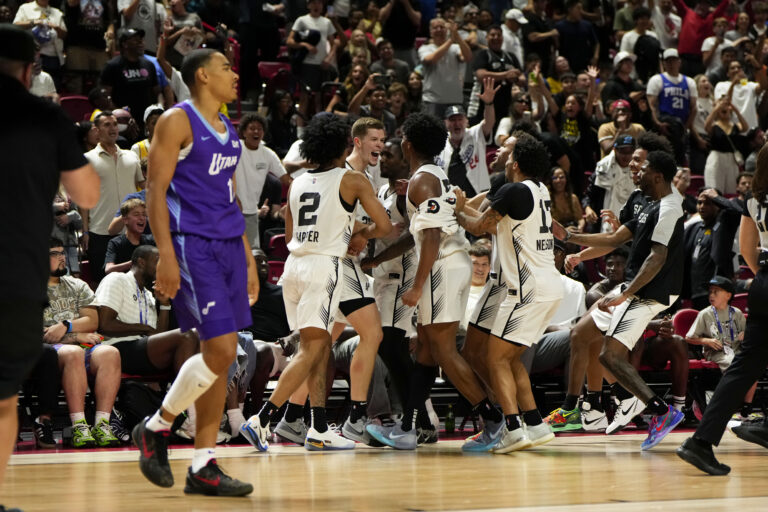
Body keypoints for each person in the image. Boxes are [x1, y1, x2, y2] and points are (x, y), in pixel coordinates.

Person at [133, 49, 257, 496]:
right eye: (226, 67)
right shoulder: (177, 121)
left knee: (222, 355)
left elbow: (230, 200)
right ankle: (158, 424)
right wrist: (165, 254)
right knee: (222, 349)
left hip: (227, 245)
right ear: (202, 76)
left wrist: (247, 258)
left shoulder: (230, 132)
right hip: (191, 244)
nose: (234, 74)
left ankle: (204, 463)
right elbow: (154, 190)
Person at [241, 113, 391, 452]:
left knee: (318, 346)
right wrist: (359, 232)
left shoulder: (296, 183)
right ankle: (264, 418)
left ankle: (317, 426)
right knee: (312, 349)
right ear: (343, 145)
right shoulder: (352, 180)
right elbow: (383, 226)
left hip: (293, 267)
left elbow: (290, 234)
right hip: (325, 265)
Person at [0, 24, 99, 512]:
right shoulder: (44, 117)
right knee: (2, 395)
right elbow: (87, 196)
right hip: (16, 270)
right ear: (29, 69)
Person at [366, 112, 504, 451]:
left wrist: (416, 285)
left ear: (409, 145)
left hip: (439, 266)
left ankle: (494, 420)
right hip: (450, 262)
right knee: (427, 348)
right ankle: (410, 427)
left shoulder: (422, 182)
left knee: (442, 350)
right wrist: (375, 260)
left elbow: (428, 239)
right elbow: (417, 235)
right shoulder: (435, 176)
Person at [552, 150, 686, 450]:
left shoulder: (669, 208)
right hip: (634, 285)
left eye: (644, 167)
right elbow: (613, 240)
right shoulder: (645, 201)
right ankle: (577, 409)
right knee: (580, 334)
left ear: (658, 176)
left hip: (651, 291)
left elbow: (656, 258)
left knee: (609, 356)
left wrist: (624, 295)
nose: (636, 171)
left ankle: (661, 412)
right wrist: (571, 236)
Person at [454, 133, 563, 452]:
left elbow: (478, 227)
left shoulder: (515, 190)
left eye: (506, 148)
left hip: (525, 288)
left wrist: (458, 208)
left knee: (497, 357)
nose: (498, 149)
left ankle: (512, 427)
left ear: (516, 163)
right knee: (503, 356)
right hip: (536, 284)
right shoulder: (538, 189)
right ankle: (534, 423)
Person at [677, 142, 768, 475]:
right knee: (746, 365)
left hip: (762, 284)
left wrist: (763, 280)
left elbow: (747, 250)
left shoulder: (754, 199)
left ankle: (700, 442)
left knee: (744, 367)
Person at [327, 117, 393, 444]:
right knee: (372, 334)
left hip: (349, 266)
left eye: (383, 140)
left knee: (320, 345)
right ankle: (355, 418)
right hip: (337, 265)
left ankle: (288, 416)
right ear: (357, 141)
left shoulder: (368, 177)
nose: (380, 145)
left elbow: (368, 229)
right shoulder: (343, 176)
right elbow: (333, 225)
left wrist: (363, 234)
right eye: (374, 139)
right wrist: (360, 233)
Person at [360, 137, 429, 439]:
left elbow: (413, 237)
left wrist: (375, 260)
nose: (383, 157)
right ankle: (418, 418)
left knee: (390, 346)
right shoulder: (385, 190)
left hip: (401, 275)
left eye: (389, 154)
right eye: (381, 153)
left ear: (404, 159)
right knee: (393, 350)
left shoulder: (407, 193)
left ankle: (420, 418)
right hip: (383, 278)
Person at [45, 238, 122, 448]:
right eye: (55, 253)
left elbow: (93, 320)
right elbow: (38, 333)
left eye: (62, 252)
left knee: (109, 353)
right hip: (50, 352)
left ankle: (102, 424)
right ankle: (79, 425)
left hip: (81, 345)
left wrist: (67, 325)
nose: (62, 257)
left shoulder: (77, 284)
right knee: (73, 353)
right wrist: (76, 336)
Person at [83, 110, 144, 283]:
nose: (113, 128)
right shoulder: (87, 159)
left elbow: (143, 189)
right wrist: (85, 231)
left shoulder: (132, 157)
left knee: (136, 283)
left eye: (115, 124)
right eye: (107, 124)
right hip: (100, 231)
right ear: (96, 130)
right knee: (102, 283)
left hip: (131, 231)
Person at [684, 276, 756, 421]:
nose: (711, 295)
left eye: (716, 292)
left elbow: (747, 337)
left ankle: (746, 409)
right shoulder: (705, 314)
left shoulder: (737, 313)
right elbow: (689, 337)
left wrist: (745, 336)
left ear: (728, 295)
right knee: (732, 364)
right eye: (710, 292)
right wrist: (706, 340)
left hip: (736, 350)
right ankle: (726, 407)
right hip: (716, 352)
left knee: (754, 365)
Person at [234, 113, 290, 250]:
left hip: (252, 213)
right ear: (243, 132)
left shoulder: (268, 154)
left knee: (253, 256)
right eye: (252, 128)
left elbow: (286, 179)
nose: (256, 131)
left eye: (259, 129)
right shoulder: (235, 148)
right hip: (232, 211)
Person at [435, 78, 499, 196]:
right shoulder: (439, 143)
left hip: (478, 196)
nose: (457, 123)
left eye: (460, 119)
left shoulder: (475, 133)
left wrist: (489, 104)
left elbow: (489, 122)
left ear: (466, 121)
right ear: (445, 123)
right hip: (449, 199)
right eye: (452, 120)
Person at [100, 28, 160, 132]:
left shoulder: (149, 65)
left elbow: (157, 92)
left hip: (146, 122)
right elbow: (105, 97)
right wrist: (122, 118)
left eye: (141, 39)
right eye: (136, 40)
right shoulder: (112, 66)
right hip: (123, 124)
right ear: (125, 44)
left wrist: (158, 110)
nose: (141, 42)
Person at [646, 49, 698, 164]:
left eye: (674, 60)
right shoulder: (657, 80)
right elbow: (651, 105)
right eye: (668, 61)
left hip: (681, 126)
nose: (671, 64)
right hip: (664, 123)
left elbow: (693, 108)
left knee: (679, 158)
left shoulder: (689, 82)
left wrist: (686, 128)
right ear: (664, 63)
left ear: (679, 62)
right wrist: (658, 123)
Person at [418, 17, 472, 118]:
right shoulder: (425, 48)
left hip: (455, 100)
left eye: (442, 27)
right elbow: (432, 59)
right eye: (435, 28)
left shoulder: (455, 48)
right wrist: (451, 40)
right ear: (430, 32)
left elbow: (468, 57)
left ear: (446, 30)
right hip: (432, 101)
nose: (439, 30)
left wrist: (457, 37)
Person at [584, 135, 636, 232]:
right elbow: (589, 195)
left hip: (628, 224)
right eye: (623, 152)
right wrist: (588, 208)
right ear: (615, 150)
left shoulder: (638, 172)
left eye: (629, 152)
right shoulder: (602, 170)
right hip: (602, 225)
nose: (626, 156)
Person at [703, 97, 747, 195]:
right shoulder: (714, 125)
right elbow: (706, 127)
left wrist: (735, 109)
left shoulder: (736, 125)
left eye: (726, 105)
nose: (724, 107)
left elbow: (745, 127)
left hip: (732, 159)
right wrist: (717, 107)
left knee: (731, 189)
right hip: (716, 158)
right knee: (715, 189)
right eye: (721, 105)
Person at [105, 198, 155, 274]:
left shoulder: (151, 240)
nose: (142, 218)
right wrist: (133, 263)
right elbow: (108, 270)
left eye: (144, 214)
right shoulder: (115, 243)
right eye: (136, 214)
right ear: (125, 220)